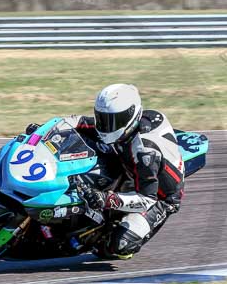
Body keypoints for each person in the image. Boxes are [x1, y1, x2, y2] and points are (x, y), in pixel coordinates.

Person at [30, 84, 184, 259]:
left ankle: (101, 239)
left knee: (120, 246)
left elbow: (147, 199)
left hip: (159, 196)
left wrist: (106, 199)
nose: (105, 126)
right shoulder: (117, 127)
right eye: (102, 118)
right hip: (126, 161)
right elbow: (78, 121)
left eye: (113, 121)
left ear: (130, 117)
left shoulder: (144, 153)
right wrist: (44, 131)